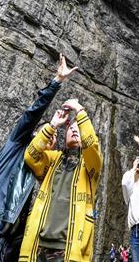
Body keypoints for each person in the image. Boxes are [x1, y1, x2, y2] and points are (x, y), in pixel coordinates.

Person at [0, 54, 78, 262]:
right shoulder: (16, 146)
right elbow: (31, 114)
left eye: (53, 138)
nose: (50, 138)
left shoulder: (37, 173)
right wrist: (57, 82)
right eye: (47, 133)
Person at [19, 97, 102, 262]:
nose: (76, 130)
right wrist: (53, 125)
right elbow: (31, 156)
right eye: (71, 127)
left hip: (69, 247)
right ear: (65, 134)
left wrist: (79, 109)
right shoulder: (52, 159)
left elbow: (92, 146)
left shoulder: (90, 166)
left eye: (79, 127)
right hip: (38, 244)